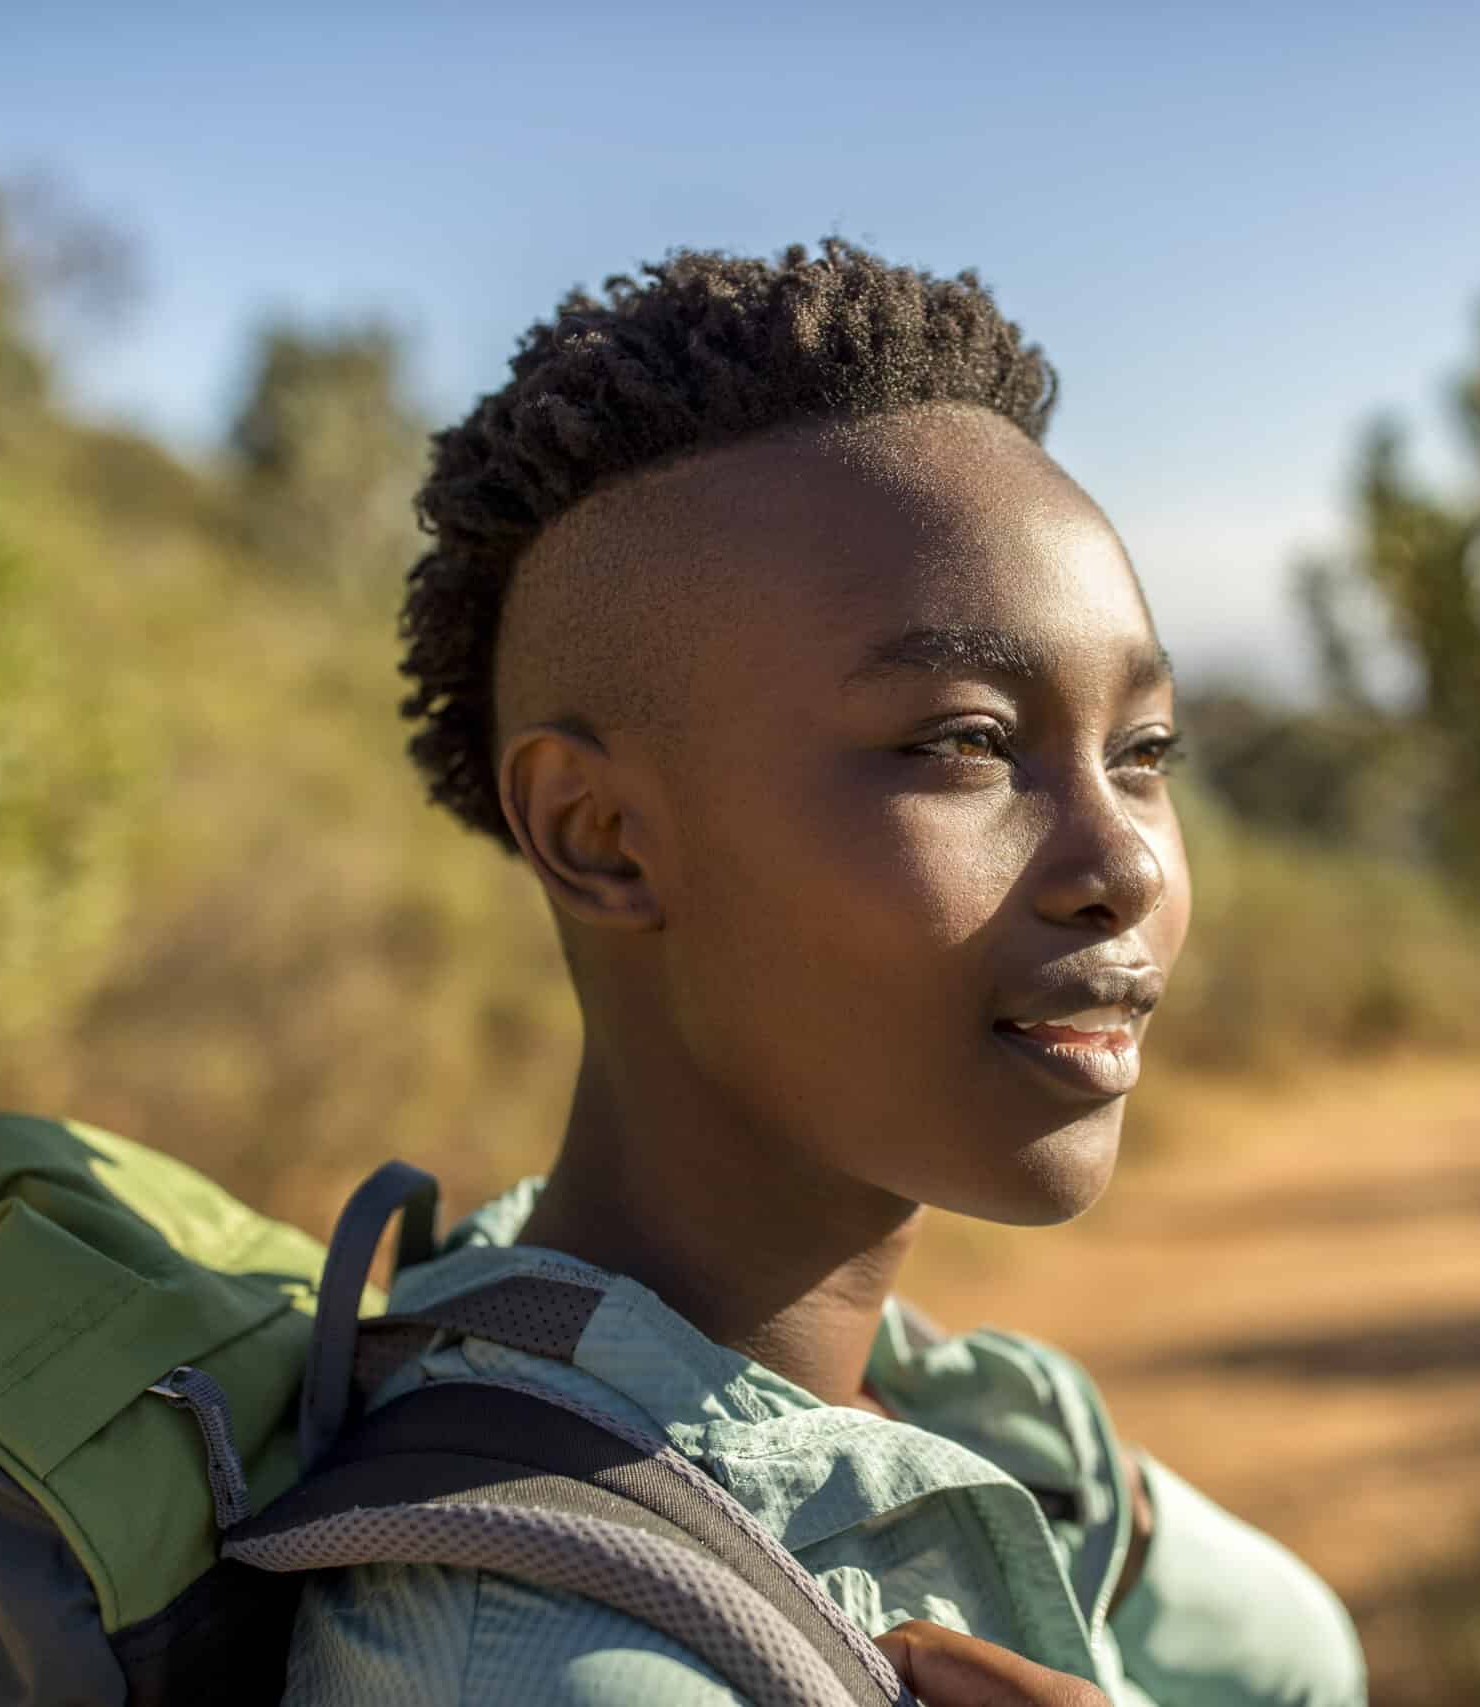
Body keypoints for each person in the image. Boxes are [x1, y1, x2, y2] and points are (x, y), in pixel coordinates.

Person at [281, 238, 1366, 1706]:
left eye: (1144, 754)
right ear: (600, 836)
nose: (1129, 864)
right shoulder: (552, 1662)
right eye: (964, 744)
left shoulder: (997, 1444)